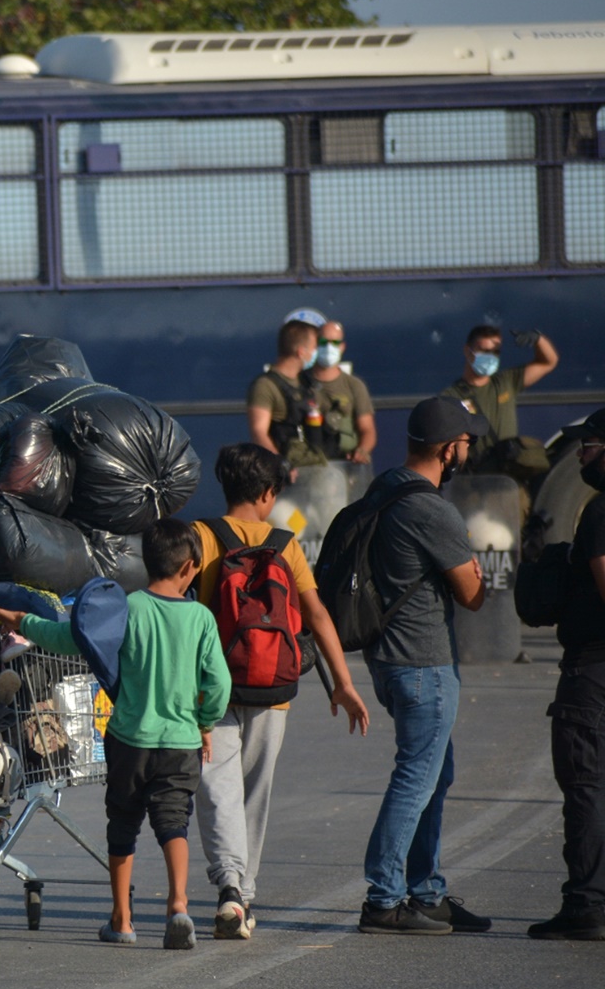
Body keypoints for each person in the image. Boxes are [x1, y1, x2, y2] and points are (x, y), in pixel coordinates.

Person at [0, 518, 231, 950]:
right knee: (173, 822)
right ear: (190, 566)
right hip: (180, 743)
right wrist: (206, 723)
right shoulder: (200, 618)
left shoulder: (128, 608)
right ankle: (178, 904)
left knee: (123, 824)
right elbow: (218, 683)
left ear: (144, 562)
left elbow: (72, 638)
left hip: (128, 740)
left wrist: (23, 622)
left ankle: (121, 920)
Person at [192, 444, 370, 940]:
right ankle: (243, 896)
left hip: (213, 686)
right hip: (274, 687)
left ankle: (228, 885)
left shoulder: (201, 537)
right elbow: (316, 615)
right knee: (255, 791)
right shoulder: (285, 544)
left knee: (216, 787)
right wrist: (344, 685)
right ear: (269, 494)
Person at [356, 396, 492, 935]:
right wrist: (473, 573)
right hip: (424, 663)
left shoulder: (384, 489)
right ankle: (385, 897)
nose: (468, 451)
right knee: (417, 776)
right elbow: (473, 595)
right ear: (446, 449)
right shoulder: (432, 510)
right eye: (465, 443)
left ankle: (426, 891)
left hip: (389, 659)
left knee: (436, 772)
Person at [530, 408, 605, 940]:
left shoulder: (600, 512)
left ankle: (586, 905)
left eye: (592, 444)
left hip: (593, 673)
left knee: (586, 786)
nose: (581, 454)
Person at [442, 324, 559, 478]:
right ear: (467, 351)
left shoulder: (505, 382)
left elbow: (548, 361)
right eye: (484, 350)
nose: (490, 356)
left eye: (495, 351)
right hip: (474, 481)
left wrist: (538, 339)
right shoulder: (451, 396)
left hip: (508, 478)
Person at [247, 319, 326, 469]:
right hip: (285, 476)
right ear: (301, 351)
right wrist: (281, 465)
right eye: (314, 347)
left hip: (313, 469)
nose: (316, 353)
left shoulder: (307, 384)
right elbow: (258, 432)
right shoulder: (265, 386)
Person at [307, 319, 377, 466]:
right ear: (315, 345)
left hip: (345, 465)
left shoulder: (354, 385)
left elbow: (367, 429)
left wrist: (362, 450)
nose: (329, 347)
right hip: (308, 465)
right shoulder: (300, 382)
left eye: (335, 343)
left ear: (342, 347)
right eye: (323, 342)